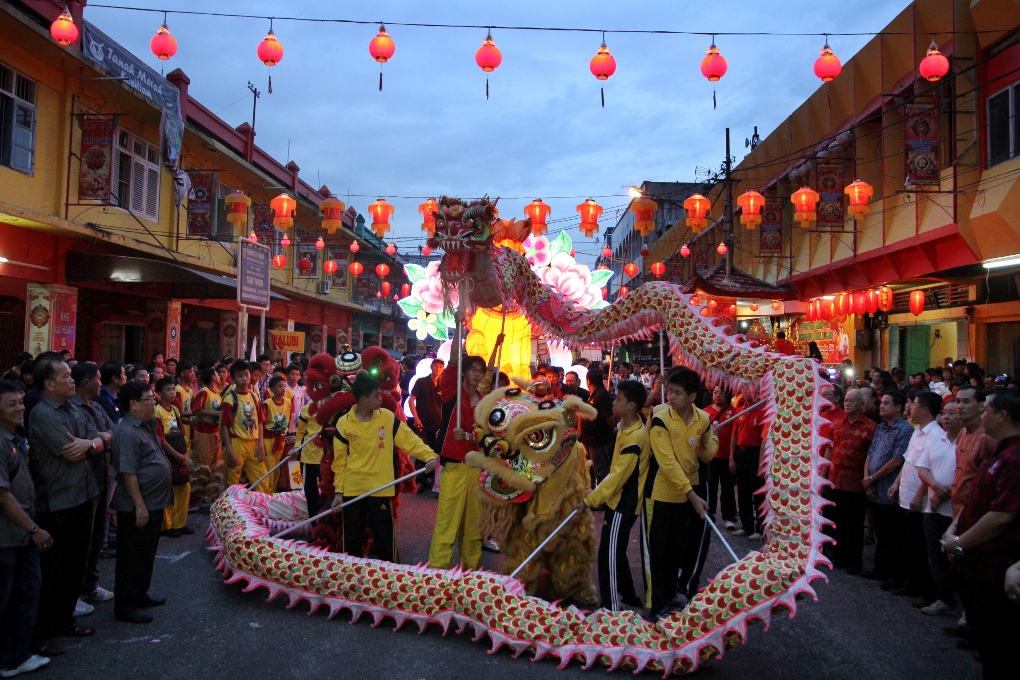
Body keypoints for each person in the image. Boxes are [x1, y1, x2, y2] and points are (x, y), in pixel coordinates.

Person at [941, 389, 1020, 680]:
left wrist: (960, 543)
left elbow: (1001, 515)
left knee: (1001, 650)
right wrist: (954, 529)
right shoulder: (999, 449)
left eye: (985, 410)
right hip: (975, 563)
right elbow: (974, 495)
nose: (980, 414)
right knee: (989, 647)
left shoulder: (1014, 457)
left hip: (994, 565)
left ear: (1003, 416)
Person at [27, 358, 105, 645]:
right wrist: (93, 445)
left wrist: (93, 443)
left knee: (76, 565)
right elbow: (74, 451)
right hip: (58, 502)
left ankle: (64, 620)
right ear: (49, 384)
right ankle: (44, 630)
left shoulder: (72, 408)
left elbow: (103, 437)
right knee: (54, 570)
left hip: (84, 495)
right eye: (66, 376)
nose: (73, 380)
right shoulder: (44, 414)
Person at [330, 374, 437, 562]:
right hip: (353, 489)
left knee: (385, 540)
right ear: (363, 399)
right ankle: (350, 581)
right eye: (377, 395)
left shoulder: (387, 418)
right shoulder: (344, 423)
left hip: (381, 488)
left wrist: (428, 456)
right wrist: (339, 492)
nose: (382, 398)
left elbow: (409, 440)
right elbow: (339, 462)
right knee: (352, 541)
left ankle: (391, 579)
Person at [644, 367, 718, 619]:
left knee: (677, 548)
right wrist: (693, 495)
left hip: (685, 494)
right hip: (661, 492)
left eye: (677, 393)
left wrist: (712, 437)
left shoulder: (704, 420)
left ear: (693, 397)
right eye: (670, 391)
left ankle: (672, 597)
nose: (670, 397)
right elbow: (667, 462)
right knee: (658, 550)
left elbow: (706, 455)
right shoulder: (660, 417)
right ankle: (656, 606)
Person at [0, 380, 53, 675]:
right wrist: (34, 529)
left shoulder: (15, 436)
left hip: (22, 532)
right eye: (12, 404)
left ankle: (16, 654)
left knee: (25, 593)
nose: (20, 408)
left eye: (20, 402)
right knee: (7, 598)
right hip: (9, 535)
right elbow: (4, 496)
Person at [583, 380, 649, 611]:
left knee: (608, 555)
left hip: (624, 504)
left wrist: (590, 500)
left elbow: (618, 476)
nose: (613, 402)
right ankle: (629, 597)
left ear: (631, 406)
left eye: (618, 399)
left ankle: (611, 606)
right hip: (617, 500)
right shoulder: (624, 427)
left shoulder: (636, 437)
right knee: (616, 551)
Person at [110, 382, 171, 624]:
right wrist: (139, 505)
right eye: (149, 399)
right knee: (131, 556)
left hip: (153, 501)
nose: (154, 403)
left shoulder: (144, 426)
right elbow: (128, 472)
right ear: (133, 404)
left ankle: (139, 594)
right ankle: (125, 604)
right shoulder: (126, 431)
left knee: (146, 552)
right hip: (138, 506)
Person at [887, 392, 948, 608]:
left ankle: (926, 590)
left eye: (913, 405)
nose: (909, 408)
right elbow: (909, 460)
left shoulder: (935, 435)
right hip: (906, 495)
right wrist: (896, 483)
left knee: (924, 548)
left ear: (924, 410)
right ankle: (911, 582)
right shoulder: (917, 432)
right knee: (910, 544)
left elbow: (928, 468)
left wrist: (919, 494)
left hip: (919, 500)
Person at [428, 352, 487, 570]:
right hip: (453, 466)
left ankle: (472, 573)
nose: (477, 374)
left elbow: (487, 436)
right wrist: (458, 323)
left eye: (480, 371)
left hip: (475, 468)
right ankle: (438, 571)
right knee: (447, 523)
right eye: (473, 369)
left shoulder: (483, 401)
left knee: (473, 527)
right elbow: (452, 362)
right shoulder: (453, 392)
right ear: (464, 372)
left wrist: (471, 437)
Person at [68, 363, 115, 606]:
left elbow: (111, 434)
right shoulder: (71, 410)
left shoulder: (96, 406)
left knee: (97, 536)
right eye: (98, 378)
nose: (101, 383)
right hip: (82, 482)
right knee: (81, 540)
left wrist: (99, 440)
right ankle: (73, 593)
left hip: (102, 475)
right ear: (87, 382)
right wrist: (99, 440)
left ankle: (90, 585)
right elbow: (84, 442)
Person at [861, 391, 914, 588]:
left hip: (889, 487)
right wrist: (867, 477)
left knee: (892, 533)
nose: (881, 406)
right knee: (881, 532)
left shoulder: (904, 430)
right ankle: (880, 568)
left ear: (898, 407)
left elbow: (897, 460)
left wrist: (873, 477)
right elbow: (871, 452)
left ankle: (891, 572)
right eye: (881, 403)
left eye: (886, 403)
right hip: (873, 486)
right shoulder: (881, 428)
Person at [826, 389, 876, 574]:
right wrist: (824, 476)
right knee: (837, 521)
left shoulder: (870, 428)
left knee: (854, 524)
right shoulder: (837, 424)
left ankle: (855, 561)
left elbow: (871, 455)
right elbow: (829, 450)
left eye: (852, 401)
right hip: (835, 479)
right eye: (846, 400)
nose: (847, 404)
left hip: (855, 483)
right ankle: (840, 556)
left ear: (862, 405)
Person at [220, 361, 268, 492]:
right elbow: (224, 426)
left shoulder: (254, 397)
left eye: (247, 375)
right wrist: (229, 451)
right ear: (233, 378)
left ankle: (262, 509)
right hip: (236, 443)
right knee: (232, 482)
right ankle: (233, 510)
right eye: (240, 376)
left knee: (262, 479)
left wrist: (261, 445)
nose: (244, 379)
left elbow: (259, 422)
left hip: (254, 443)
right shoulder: (229, 399)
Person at [153, 378, 191, 537]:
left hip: (180, 453)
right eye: (168, 390)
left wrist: (184, 454)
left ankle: (179, 523)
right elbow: (160, 438)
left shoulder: (175, 409)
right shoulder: (157, 411)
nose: (172, 393)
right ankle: (166, 526)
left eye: (173, 390)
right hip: (168, 455)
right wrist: (175, 455)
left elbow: (181, 432)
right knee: (169, 489)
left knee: (184, 487)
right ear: (160, 393)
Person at [731, 395, 766, 539]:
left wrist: (761, 463)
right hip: (741, 452)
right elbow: (734, 435)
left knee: (757, 492)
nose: (748, 393)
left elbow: (765, 439)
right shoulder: (739, 410)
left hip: (755, 454)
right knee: (742, 490)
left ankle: (760, 528)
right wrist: (731, 458)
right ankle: (746, 526)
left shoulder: (763, 411)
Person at [703, 386, 738, 530]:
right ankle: (709, 515)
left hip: (725, 455)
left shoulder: (734, 412)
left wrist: (732, 457)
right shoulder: (705, 412)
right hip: (710, 455)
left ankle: (729, 517)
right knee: (710, 487)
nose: (717, 396)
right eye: (716, 392)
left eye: (721, 393)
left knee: (727, 488)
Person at [409, 359, 444, 493]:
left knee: (435, 452)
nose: (438, 369)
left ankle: (432, 480)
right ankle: (420, 480)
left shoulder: (443, 384)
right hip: (422, 423)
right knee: (421, 451)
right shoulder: (422, 382)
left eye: (440, 367)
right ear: (431, 367)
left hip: (438, 425)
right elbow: (412, 400)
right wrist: (416, 418)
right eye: (436, 366)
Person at [190, 368, 223, 503]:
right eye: (217, 374)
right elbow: (196, 411)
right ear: (212, 377)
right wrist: (215, 414)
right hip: (203, 434)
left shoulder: (218, 395)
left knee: (216, 465)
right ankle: (195, 498)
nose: (220, 376)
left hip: (215, 433)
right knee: (201, 465)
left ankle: (210, 496)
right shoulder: (204, 392)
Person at [581, 368, 616, 487]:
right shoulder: (594, 394)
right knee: (591, 470)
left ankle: (603, 501)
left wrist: (612, 429)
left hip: (599, 440)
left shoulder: (602, 395)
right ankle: (591, 494)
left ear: (588, 381)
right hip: (590, 439)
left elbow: (609, 417)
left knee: (601, 471)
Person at [261, 376, 292, 492]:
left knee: (277, 467)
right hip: (269, 438)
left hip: (282, 437)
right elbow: (262, 423)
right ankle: (267, 493)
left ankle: (273, 491)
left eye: (284, 386)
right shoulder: (267, 403)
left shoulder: (288, 402)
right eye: (280, 386)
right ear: (272, 389)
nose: (283, 389)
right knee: (269, 466)